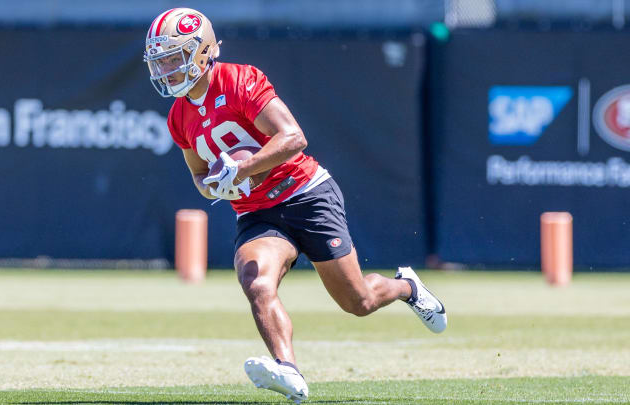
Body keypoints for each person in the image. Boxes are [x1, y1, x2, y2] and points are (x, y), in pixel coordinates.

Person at [144, 8, 447, 403]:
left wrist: (240, 168)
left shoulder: (239, 80)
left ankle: (408, 287)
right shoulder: (178, 116)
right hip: (257, 211)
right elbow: (199, 177)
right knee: (255, 280)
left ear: (201, 52)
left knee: (359, 301)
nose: (165, 68)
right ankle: (289, 370)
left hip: (305, 192)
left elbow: (292, 138)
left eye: (172, 57)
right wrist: (215, 186)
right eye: (160, 59)